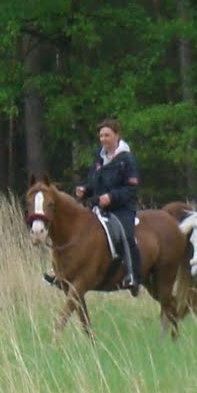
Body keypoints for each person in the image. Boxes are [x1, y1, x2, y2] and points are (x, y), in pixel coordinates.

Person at [75, 118, 142, 296]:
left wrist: (111, 197)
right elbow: (93, 182)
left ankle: (133, 275)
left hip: (122, 209)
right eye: (101, 136)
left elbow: (131, 188)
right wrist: (85, 190)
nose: (104, 139)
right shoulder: (99, 157)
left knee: (126, 236)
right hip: (99, 209)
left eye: (107, 135)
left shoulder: (127, 159)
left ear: (117, 136)